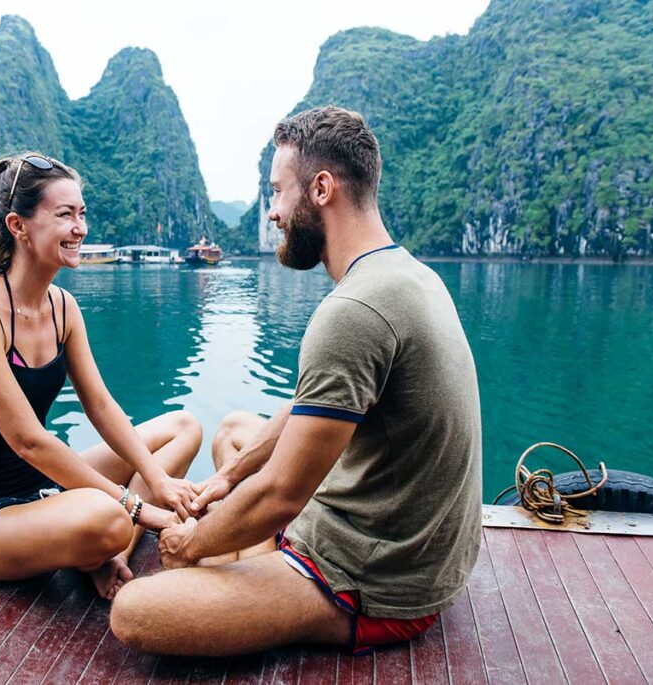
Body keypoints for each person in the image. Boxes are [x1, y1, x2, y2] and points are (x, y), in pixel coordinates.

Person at [110, 106, 483, 655]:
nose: (273, 213)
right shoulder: (407, 273)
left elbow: (283, 493)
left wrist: (191, 545)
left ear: (322, 188)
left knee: (135, 611)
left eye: (278, 192)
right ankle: (254, 559)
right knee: (236, 430)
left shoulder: (353, 310)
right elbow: (311, 404)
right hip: (405, 536)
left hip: (378, 579)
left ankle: (259, 570)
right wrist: (229, 476)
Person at [0, 152, 202, 599]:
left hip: (39, 487)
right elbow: (29, 441)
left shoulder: (63, 308)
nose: (80, 228)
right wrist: (137, 505)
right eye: (64, 215)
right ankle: (104, 543)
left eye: (81, 214)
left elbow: (99, 405)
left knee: (184, 427)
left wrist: (156, 479)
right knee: (111, 517)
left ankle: (107, 558)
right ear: (18, 226)